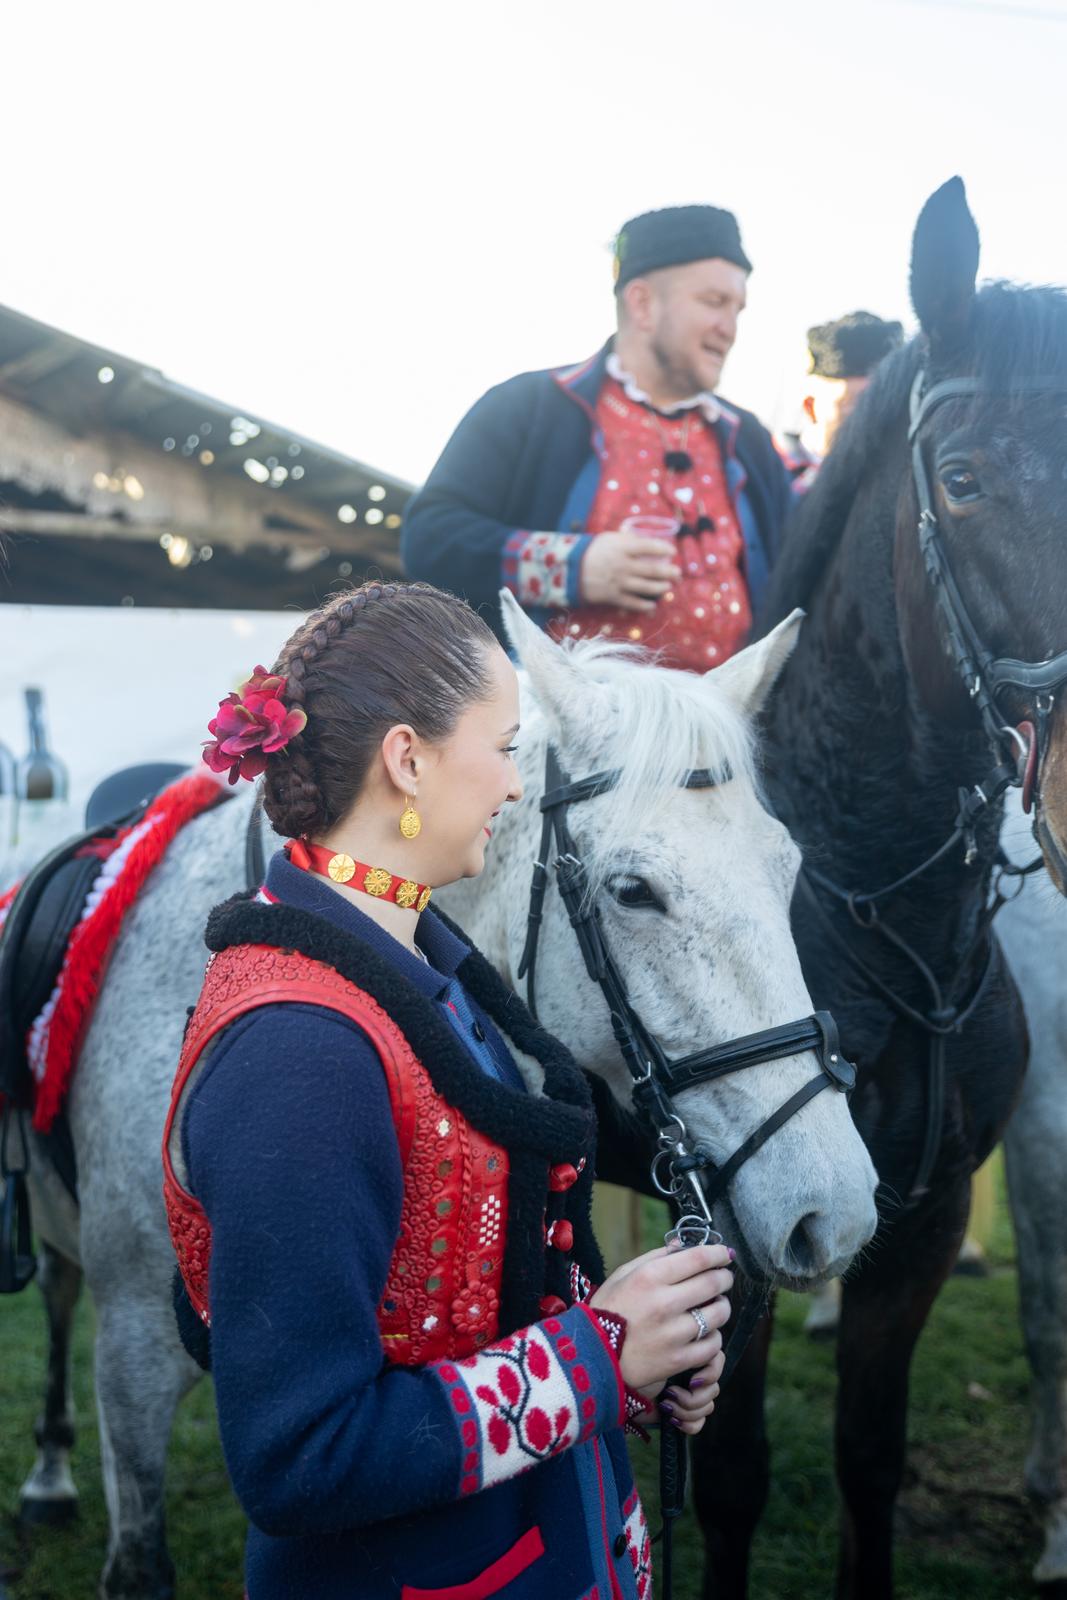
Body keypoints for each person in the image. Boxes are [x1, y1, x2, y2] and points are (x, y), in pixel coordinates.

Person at [162, 579, 734, 1600]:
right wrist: (594, 1359)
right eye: (506, 745)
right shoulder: (300, 1051)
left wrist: (633, 1363)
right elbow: (299, 1457)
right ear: (407, 758)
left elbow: (455, 1300)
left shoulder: (404, 962)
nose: (517, 784)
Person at [402, 205, 794, 672]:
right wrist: (574, 566)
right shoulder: (526, 407)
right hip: (563, 737)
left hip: (728, 733)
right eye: (713, 302)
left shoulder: (749, 440)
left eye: (737, 309)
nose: (729, 329)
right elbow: (428, 540)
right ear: (643, 303)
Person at [779, 310, 904, 492]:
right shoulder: (767, 471)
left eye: (880, 404)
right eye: (854, 402)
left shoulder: (890, 489)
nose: (869, 417)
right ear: (810, 405)